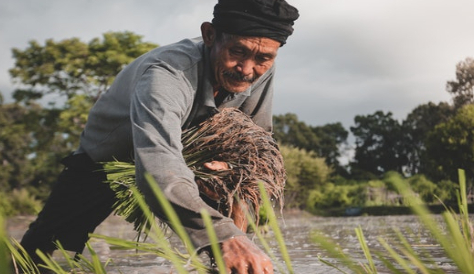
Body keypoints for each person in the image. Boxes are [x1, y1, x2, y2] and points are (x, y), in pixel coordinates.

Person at [19, 0, 299, 273]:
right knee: (46, 252)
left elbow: (256, 140)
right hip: (108, 160)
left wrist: (232, 171)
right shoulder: (166, 75)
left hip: (193, 157)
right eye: (237, 52)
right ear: (210, 35)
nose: (248, 69)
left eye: (263, 58)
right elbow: (159, 168)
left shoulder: (261, 66)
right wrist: (222, 235)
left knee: (235, 204)